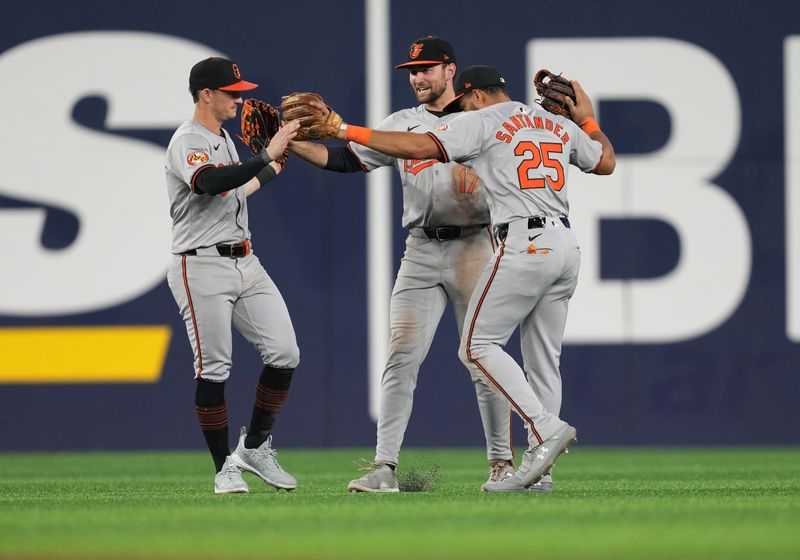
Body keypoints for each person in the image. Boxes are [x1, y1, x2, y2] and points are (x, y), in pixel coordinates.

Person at [328, 65, 616, 492]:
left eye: (462, 104)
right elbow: (605, 162)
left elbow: (421, 145)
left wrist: (344, 128)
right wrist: (587, 119)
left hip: (522, 242)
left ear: (476, 96)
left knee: (477, 345)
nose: (459, 112)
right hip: (565, 246)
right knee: (542, 361)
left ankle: (543, 428)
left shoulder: (481, 120)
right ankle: (541, 475)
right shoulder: (556, 122)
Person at [289, 37, 515, 493]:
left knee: (483, 358)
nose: (417, 77)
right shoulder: (402, 123)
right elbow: (344, 160)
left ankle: (503, 464)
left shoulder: (483, 121)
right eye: (412, 70)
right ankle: (384, 468)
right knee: (400, 357)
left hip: (476, 246)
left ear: (451, 71)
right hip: (421, 250)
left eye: (427, 68)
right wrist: (289, 144)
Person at [165, 56, 302, 494]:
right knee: (214, 368)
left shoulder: (222, 138)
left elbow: (231, 194)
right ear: (207, 94)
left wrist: (270, 169)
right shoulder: (188, 139)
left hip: (246, 262)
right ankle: (224, 467)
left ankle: (255, 447)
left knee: (285, 353)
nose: (239, 100)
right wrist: (265, 153)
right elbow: (207, 183)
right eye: (232, 93)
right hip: (199, 265)